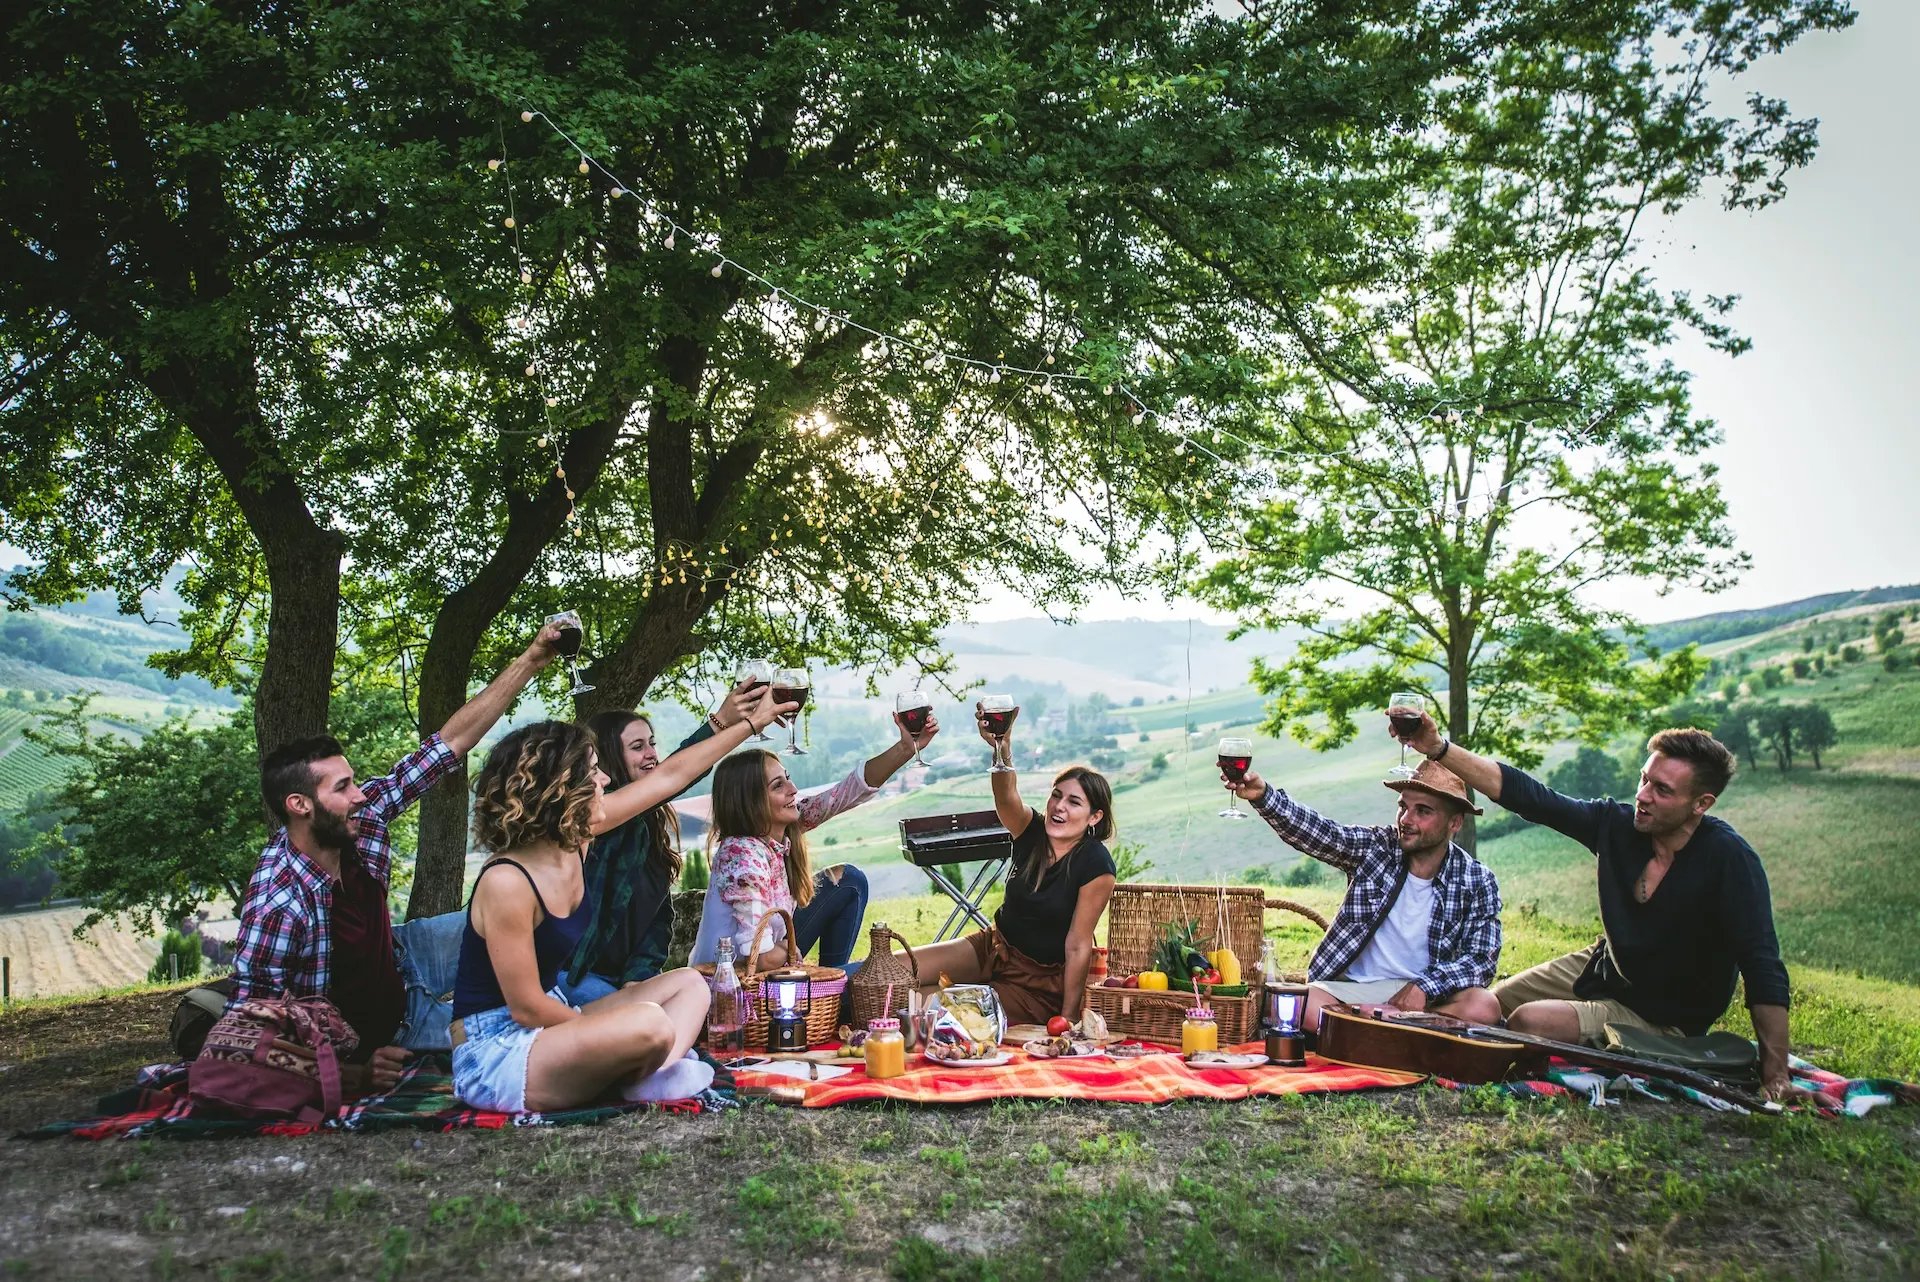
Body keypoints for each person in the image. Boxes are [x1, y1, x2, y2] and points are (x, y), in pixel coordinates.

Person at [1392, 714, 1802, 1101]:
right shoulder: (1619, 826)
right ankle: (1392, 1033)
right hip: (1604, 968)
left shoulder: (1730, 861)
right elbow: (1534, 799)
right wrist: (1438, 747)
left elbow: (1762, 964)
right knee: (1489, 1005)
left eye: (1662, 790)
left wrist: (1776, 1074)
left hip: (1661, 1016)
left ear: (1701, 804)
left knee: (1530, 1022)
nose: (1642, 797)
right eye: (1644, 780)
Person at [233, 624, 566, 1093]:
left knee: (536, 925)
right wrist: (352, 1075)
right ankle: (568, 1015)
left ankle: (565, 993)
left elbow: (448, 746)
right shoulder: (278, 904)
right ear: (300, 805)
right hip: (391, 1028)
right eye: (343, 787)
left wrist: (533, 659)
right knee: (513, 1041)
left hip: (405, 954)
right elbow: (249, 1029)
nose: (361, 796)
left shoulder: (360, 819)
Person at [449, 715, 779, 1112]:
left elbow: (667, 778)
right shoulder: (507, 882)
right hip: (497, 1052)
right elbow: (527, 1007)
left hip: (555, 1024)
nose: (605, 779)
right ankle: (644, 1070)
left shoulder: (579, 839)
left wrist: (750, 724)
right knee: (650, 1023)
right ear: (560, 789)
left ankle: (646, 1072)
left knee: (692, 984)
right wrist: (610, 1032)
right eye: (592, 772)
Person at [1224, 756, 1503, 1032]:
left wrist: (1424, 987)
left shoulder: (1477, 880)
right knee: (1295, 1004)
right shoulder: (1377, 848)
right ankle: (1393, 1030)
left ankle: (1368, 1031)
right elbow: (1322, 834)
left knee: (1484, 1007)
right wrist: (1263, 796)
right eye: (1403, 807)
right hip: (1354, 991)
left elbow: (1481, 960)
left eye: (1423, 811)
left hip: (1428, 997)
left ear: (1454, 823)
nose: (1406, 819)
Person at [905, 705, 1117, 1027]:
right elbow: (1006, 799)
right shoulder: (1032, 831)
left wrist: (1069, 1016)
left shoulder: (1095, 863)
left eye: (1074, 802)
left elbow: (1077, 945)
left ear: (1095, 817)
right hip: (993, 948)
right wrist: (1001, 748)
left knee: (926, 1008)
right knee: (894, 974)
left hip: (1035, 985)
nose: (1059, 807)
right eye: (1056, 796)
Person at [689, 708, 940, 970]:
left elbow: (846, 793)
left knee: (849, 881)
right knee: (880, 972)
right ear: (749, 803)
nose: (793, 790)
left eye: (787, 779)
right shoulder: (742, 855)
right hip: (735, 987)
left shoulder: (781, 832)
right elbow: (760, 958)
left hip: (771, 960)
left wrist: (905, 748)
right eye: (778, 786)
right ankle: (834, 987)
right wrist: (787, 950)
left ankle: (829, 987)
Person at [558, 688, 764, 1006]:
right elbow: (674, 775)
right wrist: (724, 723)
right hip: (571, 978)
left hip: (619, 983)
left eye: (652, 743)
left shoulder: (646, 830)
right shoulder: (597, 823)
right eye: (637, 747)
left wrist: (636, 978)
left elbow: (657, 921)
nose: (651, 754)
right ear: (609, 757)